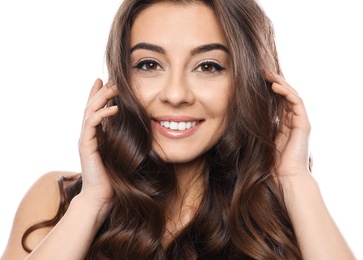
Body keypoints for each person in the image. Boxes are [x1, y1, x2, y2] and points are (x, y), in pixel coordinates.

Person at [0, 0, 355, 259]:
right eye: (150, 64)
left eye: (208, 66)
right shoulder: (60, 200)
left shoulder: (286, 218)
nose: (175, 95)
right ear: (120, 80)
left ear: (248, 82)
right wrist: (93, 202)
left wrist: (295, 180)